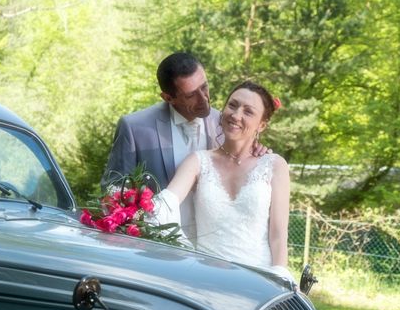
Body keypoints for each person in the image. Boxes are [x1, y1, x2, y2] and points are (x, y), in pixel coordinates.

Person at [103, 52, 267, 243]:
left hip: (215, 245)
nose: (204, 99)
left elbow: (246, 165)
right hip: (155, 245)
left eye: (204, 87)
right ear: (168, 97)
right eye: (191, 95)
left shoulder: (228, 123)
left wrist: (259, 151)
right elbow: (113, 191)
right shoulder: (135, 128)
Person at [154, 80, 291, 278]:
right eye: (232, 105)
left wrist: (279, 277)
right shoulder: (197, 161)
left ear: (261, 125)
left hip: (258, 280)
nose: (236, 115)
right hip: (205, 278)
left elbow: (278, 235)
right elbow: (164, 205)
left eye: (248, 111)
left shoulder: (275, 165)